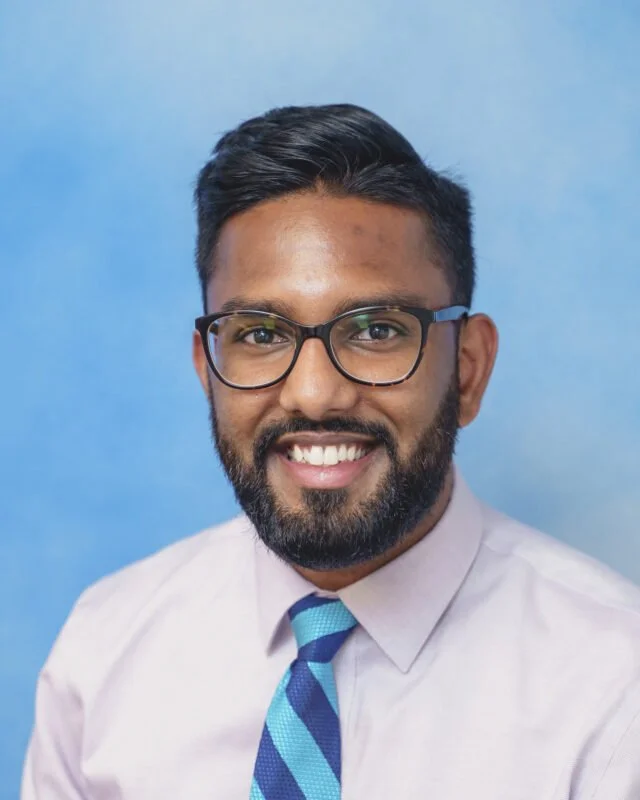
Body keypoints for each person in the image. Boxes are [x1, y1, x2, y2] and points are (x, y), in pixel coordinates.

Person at [22, 104, 640, 800]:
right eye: (259, 335)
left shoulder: (615, 688)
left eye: (377, 329)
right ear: (207, 368)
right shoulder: (104, 652)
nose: (315, 394)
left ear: (467, 368)